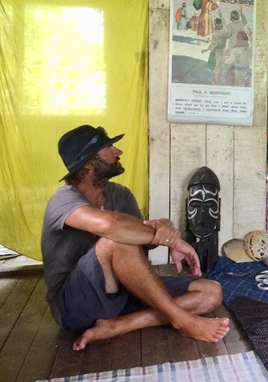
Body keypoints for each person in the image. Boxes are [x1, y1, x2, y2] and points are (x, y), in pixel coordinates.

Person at [41, 125, 229, 351]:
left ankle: (120, 325)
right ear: (89, 164)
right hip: (74, 306)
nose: (118, 151)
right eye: (108, 147)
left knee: (211, 292)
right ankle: (182, 320)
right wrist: (172, 240)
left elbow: (144, 241)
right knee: (116, 239)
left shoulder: (120, 194)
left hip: (120, 292)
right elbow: (111, 227)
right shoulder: (63, 200)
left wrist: (165, 226)